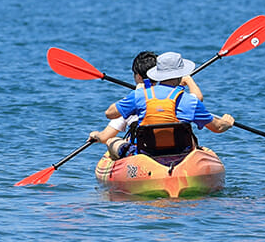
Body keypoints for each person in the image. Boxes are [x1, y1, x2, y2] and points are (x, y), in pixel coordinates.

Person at [92, 52, 234, 162]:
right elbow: (218, 128)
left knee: (112, 141)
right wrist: (227, 122)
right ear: (181, 74)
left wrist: (136, 94)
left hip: (145, 153)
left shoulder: (140, 95)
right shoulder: (191, 101)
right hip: (181, 153)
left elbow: (109, 114)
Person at [103, 51, 202, 121]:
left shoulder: (138, 96)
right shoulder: (183, 97)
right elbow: (197, 100)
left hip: (146, 147)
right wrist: (189, 80)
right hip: (179, 146)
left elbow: (109, 113)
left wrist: (138, 92)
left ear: (138, 76)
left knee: (113, 141)